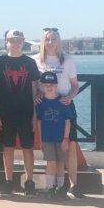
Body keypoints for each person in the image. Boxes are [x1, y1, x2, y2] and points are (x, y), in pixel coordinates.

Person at [36, 28, 84, 199]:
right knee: (50, 151)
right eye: (47, 39)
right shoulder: (37, 60)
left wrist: (69, 97)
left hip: (64, 107)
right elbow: (34, 85)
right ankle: (53, 186)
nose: (50, 42)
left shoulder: (68, 61)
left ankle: (73, 185)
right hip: (46, 109)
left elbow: (75, 85)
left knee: (70, 146)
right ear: (43, 41)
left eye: (54, 39)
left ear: (59, 41)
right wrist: (36, 97)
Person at [0, 29, 40, 196]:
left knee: (28, 147)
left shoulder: (30, 63)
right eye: (12, 40)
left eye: (19, 40)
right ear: (7, 42)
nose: (15, 43)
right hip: (6, 111)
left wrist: (35, 114)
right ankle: (8, 181)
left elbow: (35, 88)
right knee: (8, 147)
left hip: (26, 111)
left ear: (23, 42)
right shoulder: (0, 62)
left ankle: (29, 181)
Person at [35, 71, 71, 199]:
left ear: (56, 85)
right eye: (46, 85)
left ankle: (60, 188)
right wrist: (40, 140)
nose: (49, 87)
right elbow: (39, 122)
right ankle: (50, 188)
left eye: (51, 84)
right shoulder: (40, 102)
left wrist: (66, 139)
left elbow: (68, 122)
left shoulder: (63, 101)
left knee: (60, 163)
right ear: (42, 86)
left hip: (61, 138)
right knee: (50, 162)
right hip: (47, 138)